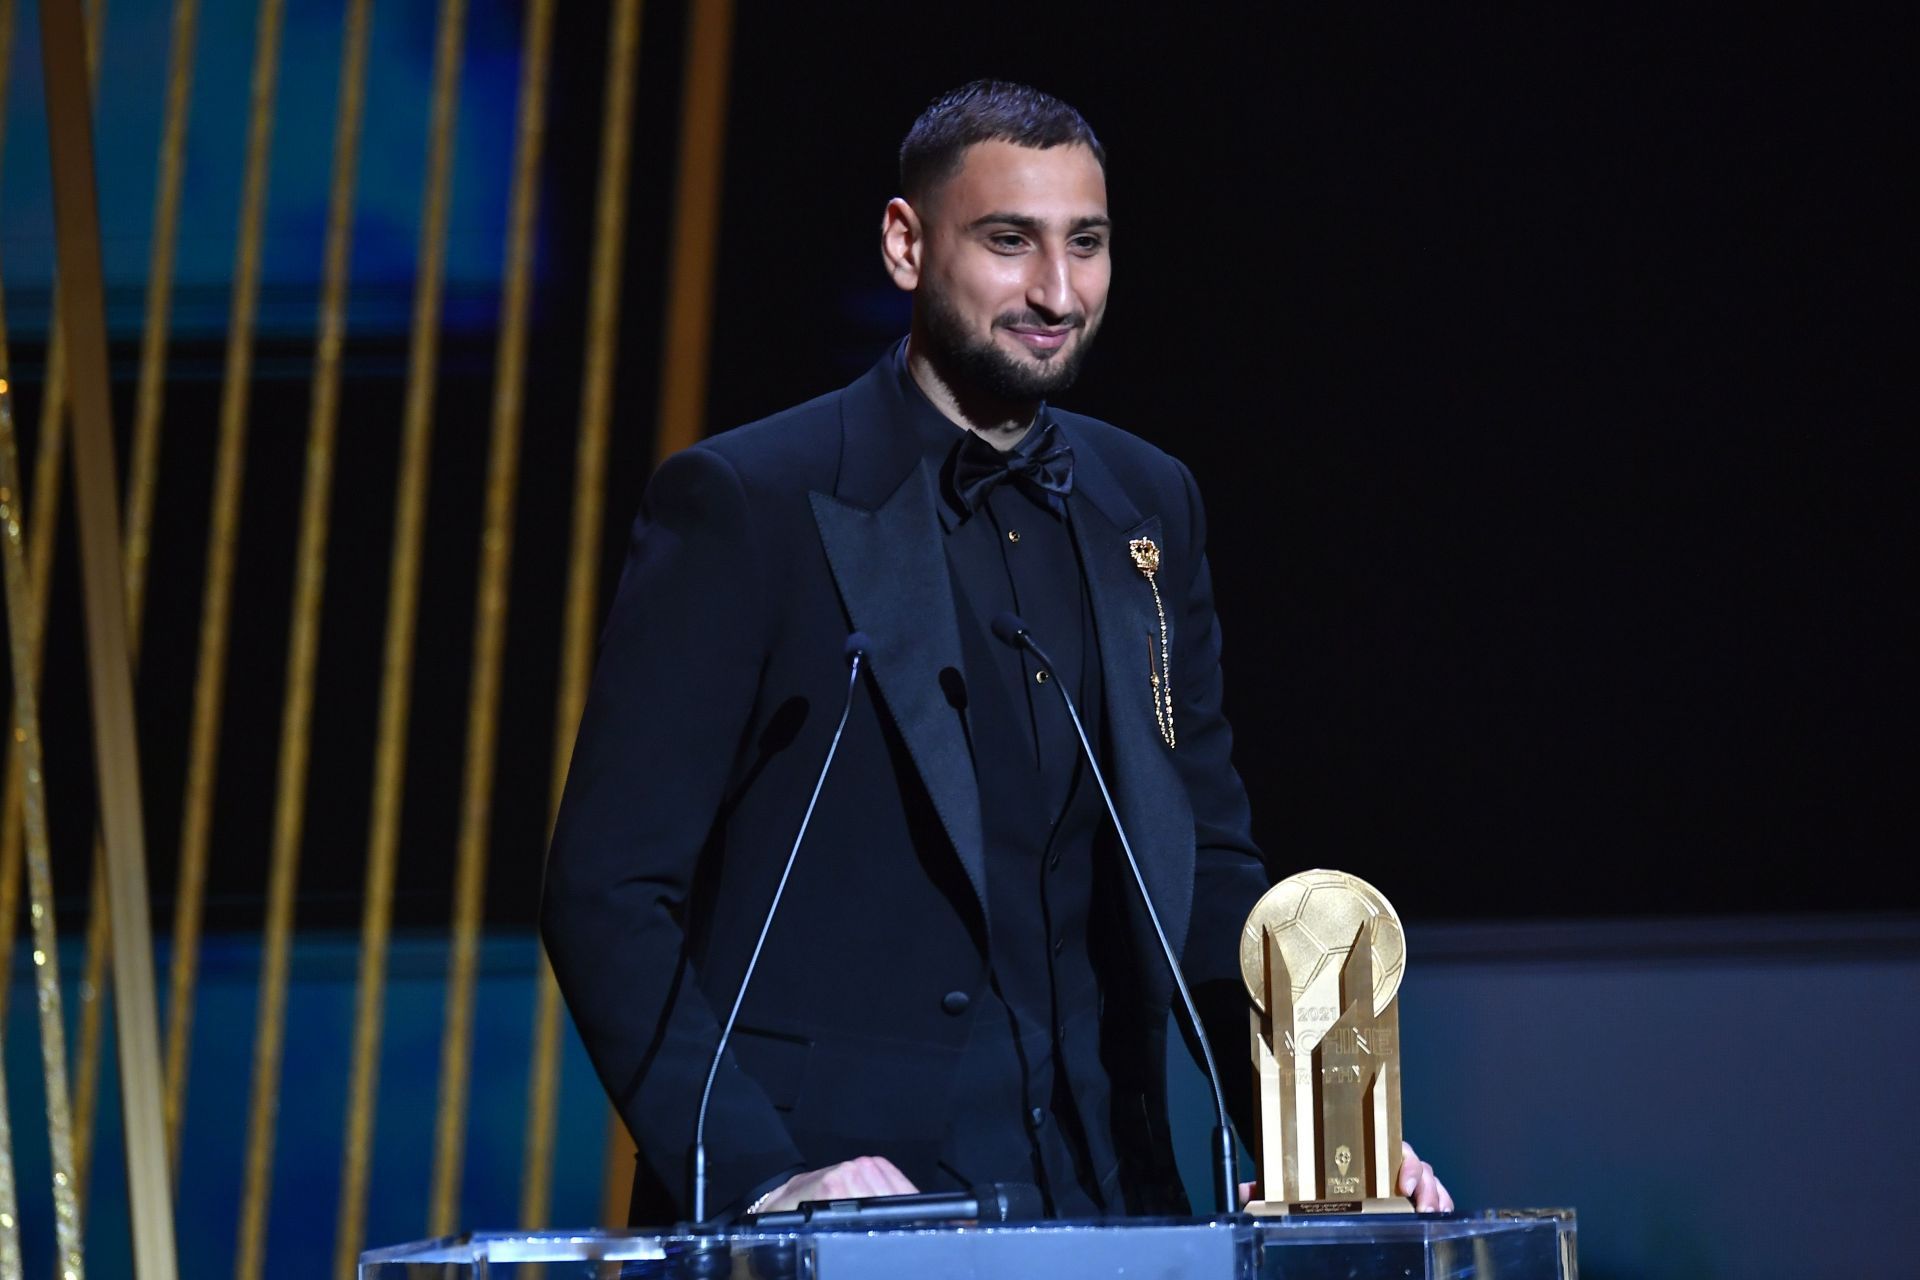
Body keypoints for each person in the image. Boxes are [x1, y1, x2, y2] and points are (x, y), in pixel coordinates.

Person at [541, 80, 1450, 1225]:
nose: (1056, 292)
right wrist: (758, 1168)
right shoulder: (747, 504)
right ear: (906, 243)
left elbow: (1207, 864)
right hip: (838, 1211)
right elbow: (606, 887)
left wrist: (1321, 1136)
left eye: (1088, 244)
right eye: (1009, 242)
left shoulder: (1148, 502)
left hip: (1114, 1201)